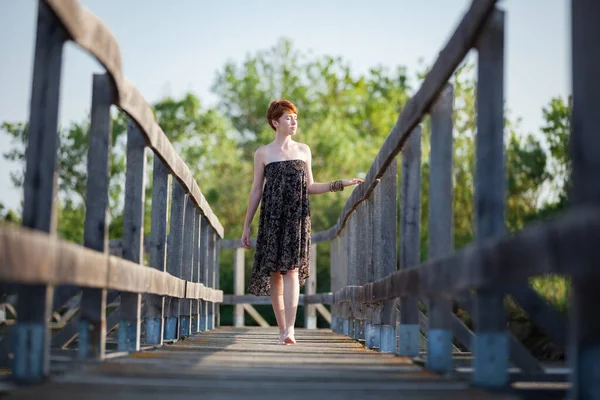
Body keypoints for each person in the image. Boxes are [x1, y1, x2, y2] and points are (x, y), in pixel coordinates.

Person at [241, 99, 363, 345]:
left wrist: (340, 184)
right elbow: (256, 191)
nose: (294, 121)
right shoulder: (263, 153)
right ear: (275, 122)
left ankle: (291, 331)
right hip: (271, 218)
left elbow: (310, 186)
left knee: (293, 271)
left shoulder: (303, 150)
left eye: (295, 117)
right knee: (275, 274)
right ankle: (281, 328)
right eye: (288, 117)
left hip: (297, 218)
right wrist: (246, 225)